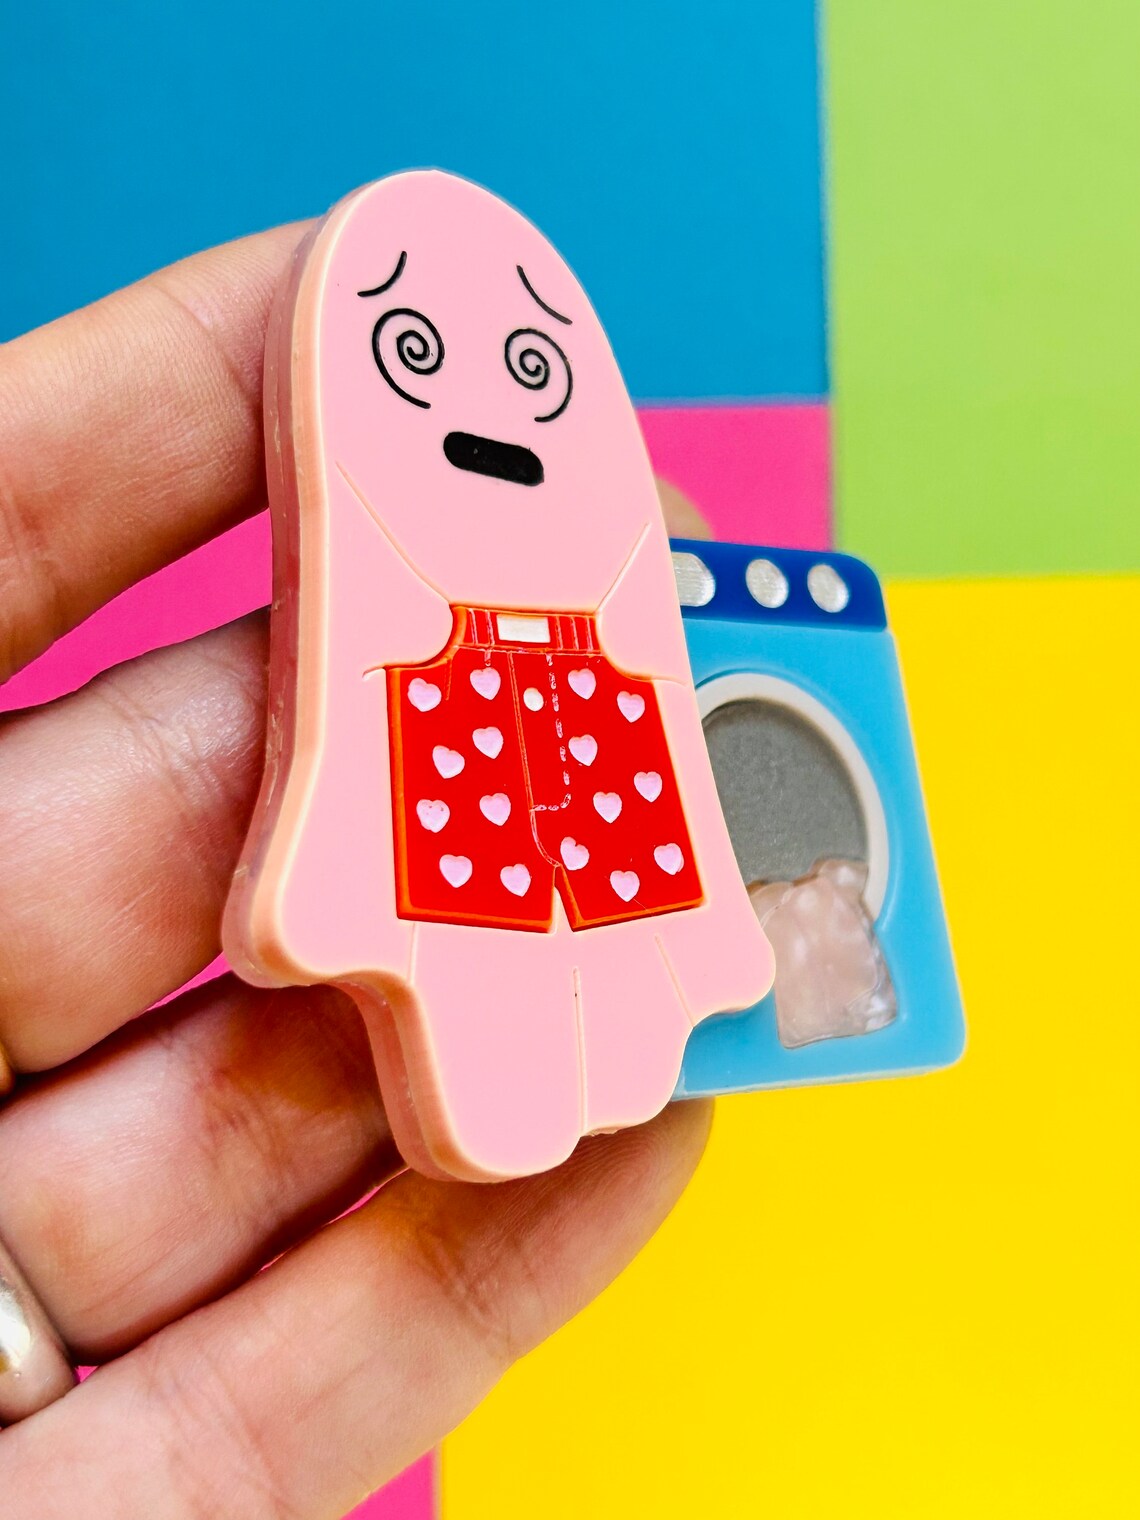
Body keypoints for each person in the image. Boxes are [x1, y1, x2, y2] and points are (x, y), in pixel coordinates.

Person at [0, 222, 713, 1516]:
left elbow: (666, 812)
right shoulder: (389, 650)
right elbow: (341, 761)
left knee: (605, 1009)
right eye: (414, 354)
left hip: (602, 834)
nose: (491, 411)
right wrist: (319, 895)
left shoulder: (610, 652)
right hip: (454, 863)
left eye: (535, 371)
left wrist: (704, 937)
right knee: (480, 1027)